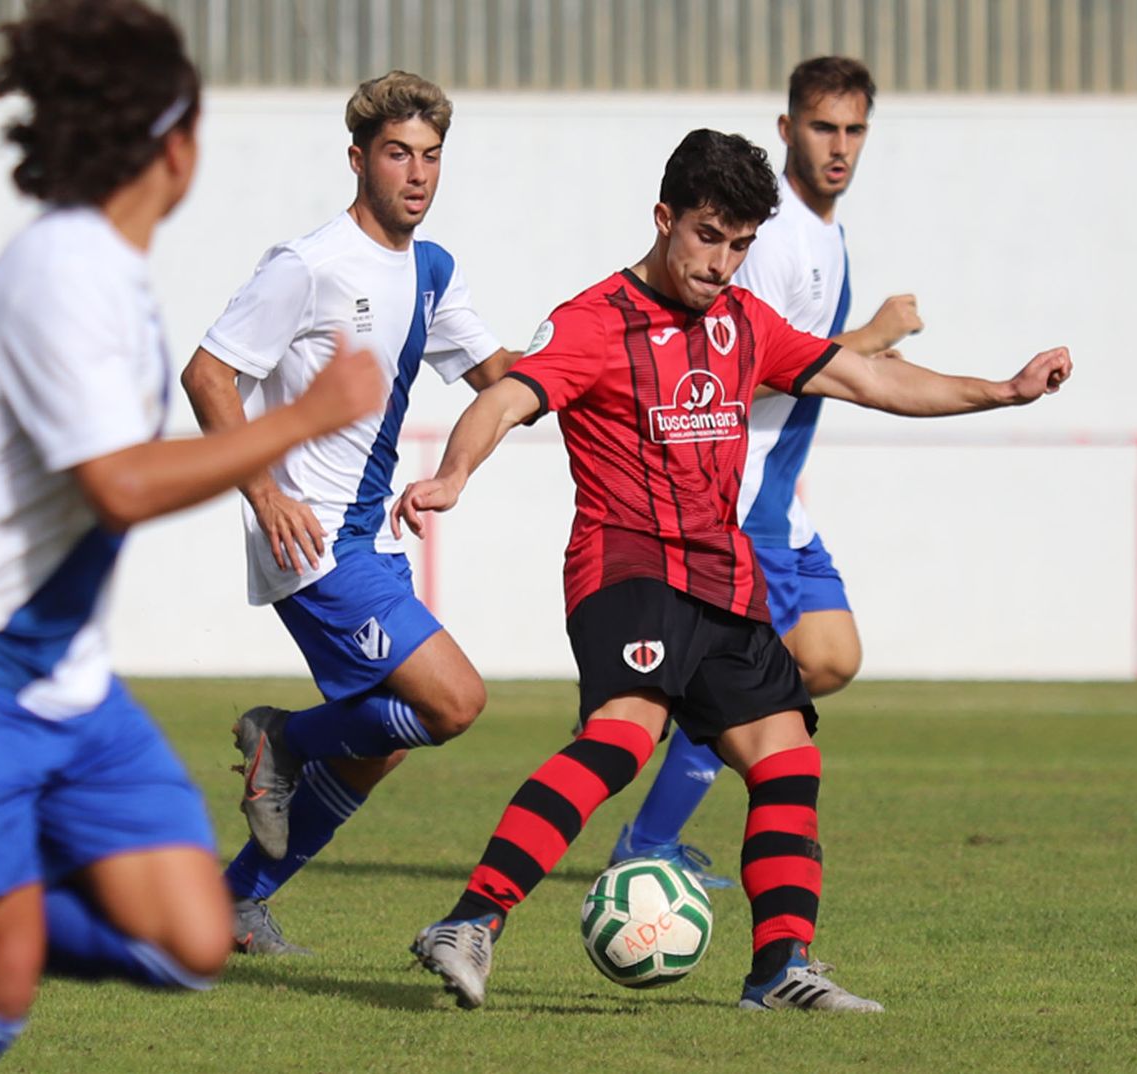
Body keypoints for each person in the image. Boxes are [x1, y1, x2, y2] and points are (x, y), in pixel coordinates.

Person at [0, 3, 383, 1071]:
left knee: (192, 940)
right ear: (179, 143)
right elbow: (114, 486)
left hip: (61, 676)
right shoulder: (62, 275)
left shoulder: (104, 271)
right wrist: (302, 418)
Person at [394, 128, 1071, 1011]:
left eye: (741, 245)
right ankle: (471, 922)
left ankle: (779, 969)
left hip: (723, 576)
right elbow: (506, 397)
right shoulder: (595, 321)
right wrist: (453, 475)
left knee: (787, 760)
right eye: (709, 237)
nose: (723, 263)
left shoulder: (744, 324)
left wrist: (1003, 390)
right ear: (664, 218)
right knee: (623, 739)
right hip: (626, 568)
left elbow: (871, 380)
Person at [180, 70, 517, 954]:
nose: (417, 173)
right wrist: (262, 490)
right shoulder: (309, 265)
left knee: (385, 741)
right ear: (359, 158)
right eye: (398, 153)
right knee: (453, 700)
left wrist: (612, 356)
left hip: (365, 538)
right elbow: (208, 376)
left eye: (432, 156)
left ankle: (235, 906)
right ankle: (282, 739)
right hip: (313, 538)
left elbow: (505, 382)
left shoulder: (433, 270)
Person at [611, 56, 920, 888]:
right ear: (788, 130)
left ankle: (654, 819)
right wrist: (871, 336)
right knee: (781, 674)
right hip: (741, 498)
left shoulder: (825, 234)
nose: (840, 148)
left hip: (779, 501)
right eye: (824, 128)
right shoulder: (772, 240)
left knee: (826, 654)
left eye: (854, 130)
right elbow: (759, 361)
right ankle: (648, 840)